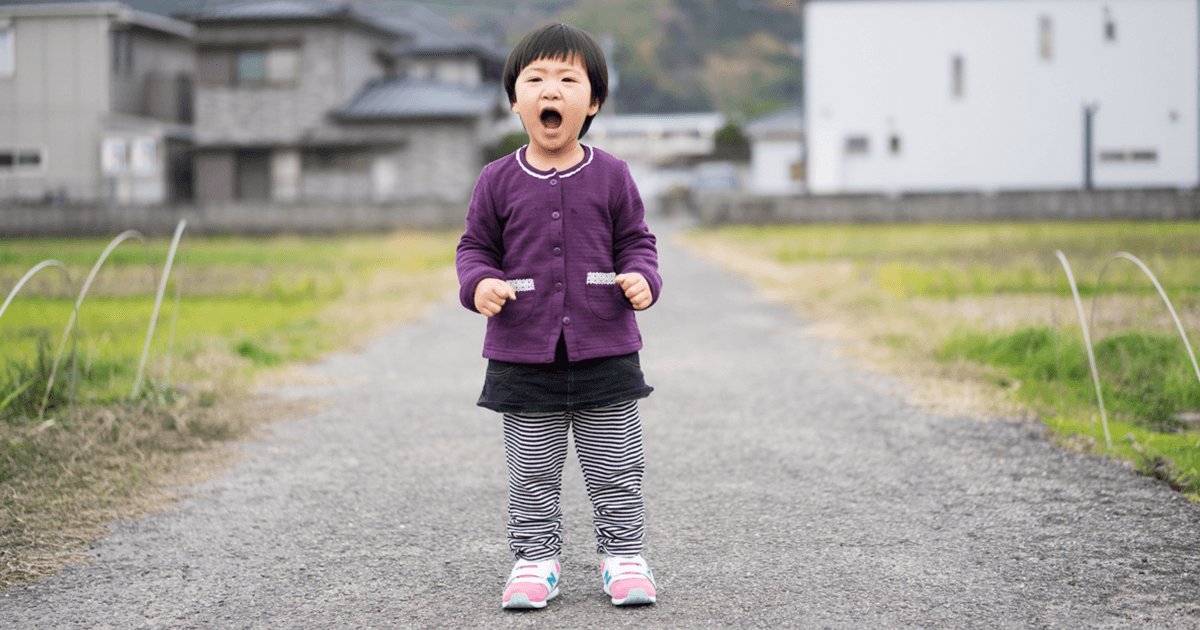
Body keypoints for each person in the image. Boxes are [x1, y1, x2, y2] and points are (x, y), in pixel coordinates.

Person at [456, 22, 662, 610]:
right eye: (536, 79)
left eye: (569, 79)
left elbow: (637, 242)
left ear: (592, 101)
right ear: (515, 100)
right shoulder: (496, 179)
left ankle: (623, 555)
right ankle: (534, 560)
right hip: (523, 353)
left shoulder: (612, 174)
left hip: (606, 349)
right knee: (532, 473)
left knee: (617, 467)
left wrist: (642, 278)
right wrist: (480, 284)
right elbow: (474, 248)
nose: (552, 89)